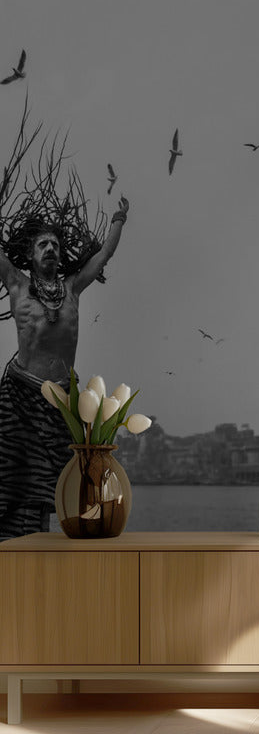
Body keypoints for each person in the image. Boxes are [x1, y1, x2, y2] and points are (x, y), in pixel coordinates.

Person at [0, 196, 129, 538]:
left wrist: (118, 219)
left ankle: (60, 546)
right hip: (20, 397)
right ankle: (15, 546)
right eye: (42, 244)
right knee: (17, 476)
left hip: (62, 401)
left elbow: (104, 255)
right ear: (30, 254)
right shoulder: (16, 285)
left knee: (67, 478)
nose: (50, 249)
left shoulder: (72, 289)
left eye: (55, 244)